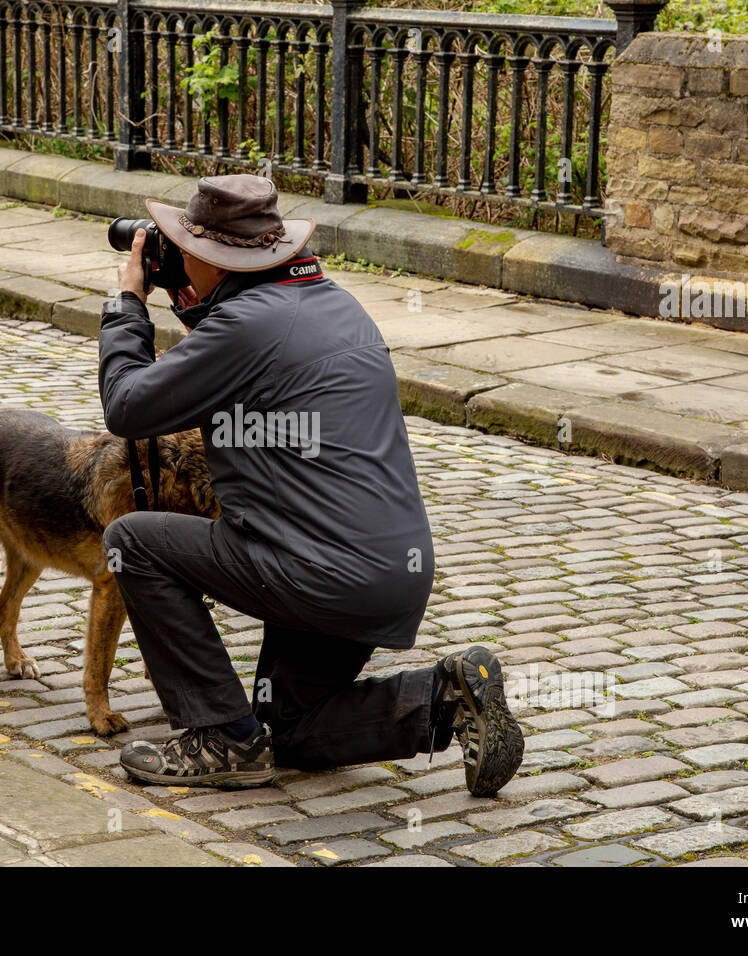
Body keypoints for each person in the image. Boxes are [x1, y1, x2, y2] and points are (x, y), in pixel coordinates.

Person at [97, 173, 524, 793]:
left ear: (220, 257)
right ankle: (447, 696)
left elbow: (128, 408)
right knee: (289, 729)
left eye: (185, 245)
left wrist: (128, 305)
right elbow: (245, 369)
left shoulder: (245, 326)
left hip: (316, 572)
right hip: (385, 574)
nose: (177, 253)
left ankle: (221, 739)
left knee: (132, 541)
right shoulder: (332, 303)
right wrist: (196, 305)